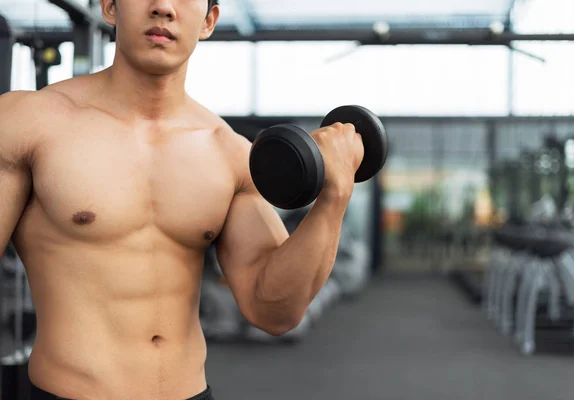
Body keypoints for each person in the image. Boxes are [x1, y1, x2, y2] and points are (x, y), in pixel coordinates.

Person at [0, 0, 364, 399]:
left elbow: (274, 311)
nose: (163, 7)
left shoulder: (229, 153)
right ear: (109, 7)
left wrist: (335, 195)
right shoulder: (27, 123)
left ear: (208, 20)